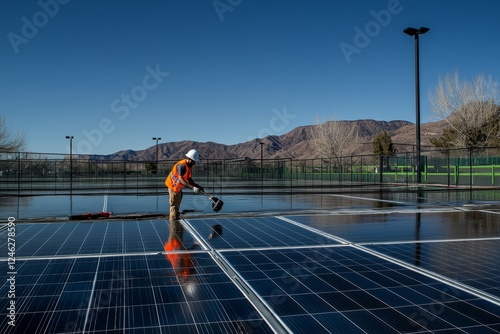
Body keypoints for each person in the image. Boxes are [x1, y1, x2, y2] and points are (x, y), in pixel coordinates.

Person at [165, 149, 204, 221]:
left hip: (178, 187)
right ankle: (173, 224)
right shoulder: (182, 166)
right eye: (194, 161)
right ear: (189, 159)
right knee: (174, 206)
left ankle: (176, 216)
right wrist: (193, 188)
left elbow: (189, 179)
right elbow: (181, 180)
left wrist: (198, 186)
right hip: (173, 186)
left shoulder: (189, 167)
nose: (195, 163)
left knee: (178, 203)